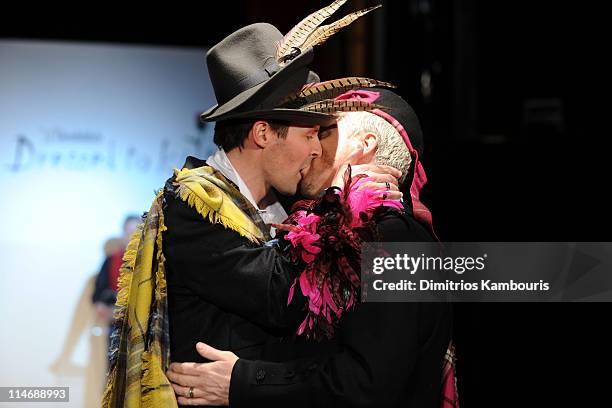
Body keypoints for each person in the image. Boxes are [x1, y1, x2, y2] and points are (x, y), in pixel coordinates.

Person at [101, 3, 394, 406]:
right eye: (308, 135)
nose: (315, 151)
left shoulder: (287, 205)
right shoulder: (193, 203)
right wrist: (346, 205)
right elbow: (283, 298)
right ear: (262, 133)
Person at [166, 89, 457, 407]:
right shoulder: (340, 232)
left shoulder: (395, 240)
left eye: (325, 132)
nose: (314, 148)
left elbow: (366, 384)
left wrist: (243, 383)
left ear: (364, 145)